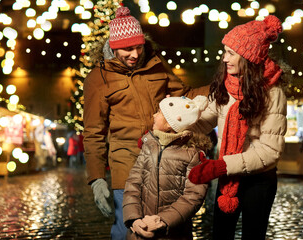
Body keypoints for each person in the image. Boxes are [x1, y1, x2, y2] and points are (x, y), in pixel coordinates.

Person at [83, 6, 209, 239]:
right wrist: (96, 178)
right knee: (127, 229)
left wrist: (220, 88)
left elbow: (185, 95)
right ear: (113, 47)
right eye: (127, 49)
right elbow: (93, 132)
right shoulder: (98, 78)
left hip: (164, 160)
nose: (134, 54)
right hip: (126, 163)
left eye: (138, 47)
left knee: (169, 227)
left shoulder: (156, 66)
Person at [188, 15, 287, 240]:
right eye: (225, 52)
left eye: (230, 53)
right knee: (221, 234)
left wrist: (220, 166)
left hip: (258, 180)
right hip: (229, 176)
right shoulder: (227, 85)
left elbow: (269, 152)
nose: (224, 59)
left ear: (248, 56)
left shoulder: (273, 93)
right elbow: (204, 121)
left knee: (253, 235)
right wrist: (169, 131)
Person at [123, 96, 210, 239]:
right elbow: (133, 184)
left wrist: (162, 220)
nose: (154, 115)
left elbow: (193, 196)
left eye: (159, 112)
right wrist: (134, 219)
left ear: (170, 124)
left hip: (173, 233)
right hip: (140, 230)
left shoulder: (193, 154)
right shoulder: (148, 145)